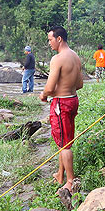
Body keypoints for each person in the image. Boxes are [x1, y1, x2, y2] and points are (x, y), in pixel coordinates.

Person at [40, 26, 84, 193]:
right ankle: (60, 174)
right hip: (72, 100)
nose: (49, 43)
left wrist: (43, 95)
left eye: (50, 39)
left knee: (65, 145)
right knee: (66, 140)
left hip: (61, 103)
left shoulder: (57, 59)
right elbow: (79, 84)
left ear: (59, 39)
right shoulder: (75, 56)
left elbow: (50, 88)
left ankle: (70, 181)